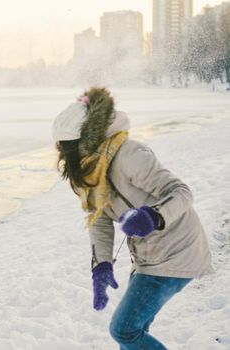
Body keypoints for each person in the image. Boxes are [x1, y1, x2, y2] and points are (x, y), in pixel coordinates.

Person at [52, 87, 213, 349]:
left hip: (177, 251)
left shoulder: (129, 155)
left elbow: (181, 192)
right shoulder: (89, 169)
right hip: (149, 256)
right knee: (136, 332)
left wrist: (154, 217)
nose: (61, 155)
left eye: (65, 148)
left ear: (82, 142)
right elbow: (99, 218)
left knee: (125, 330)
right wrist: (102, 265)